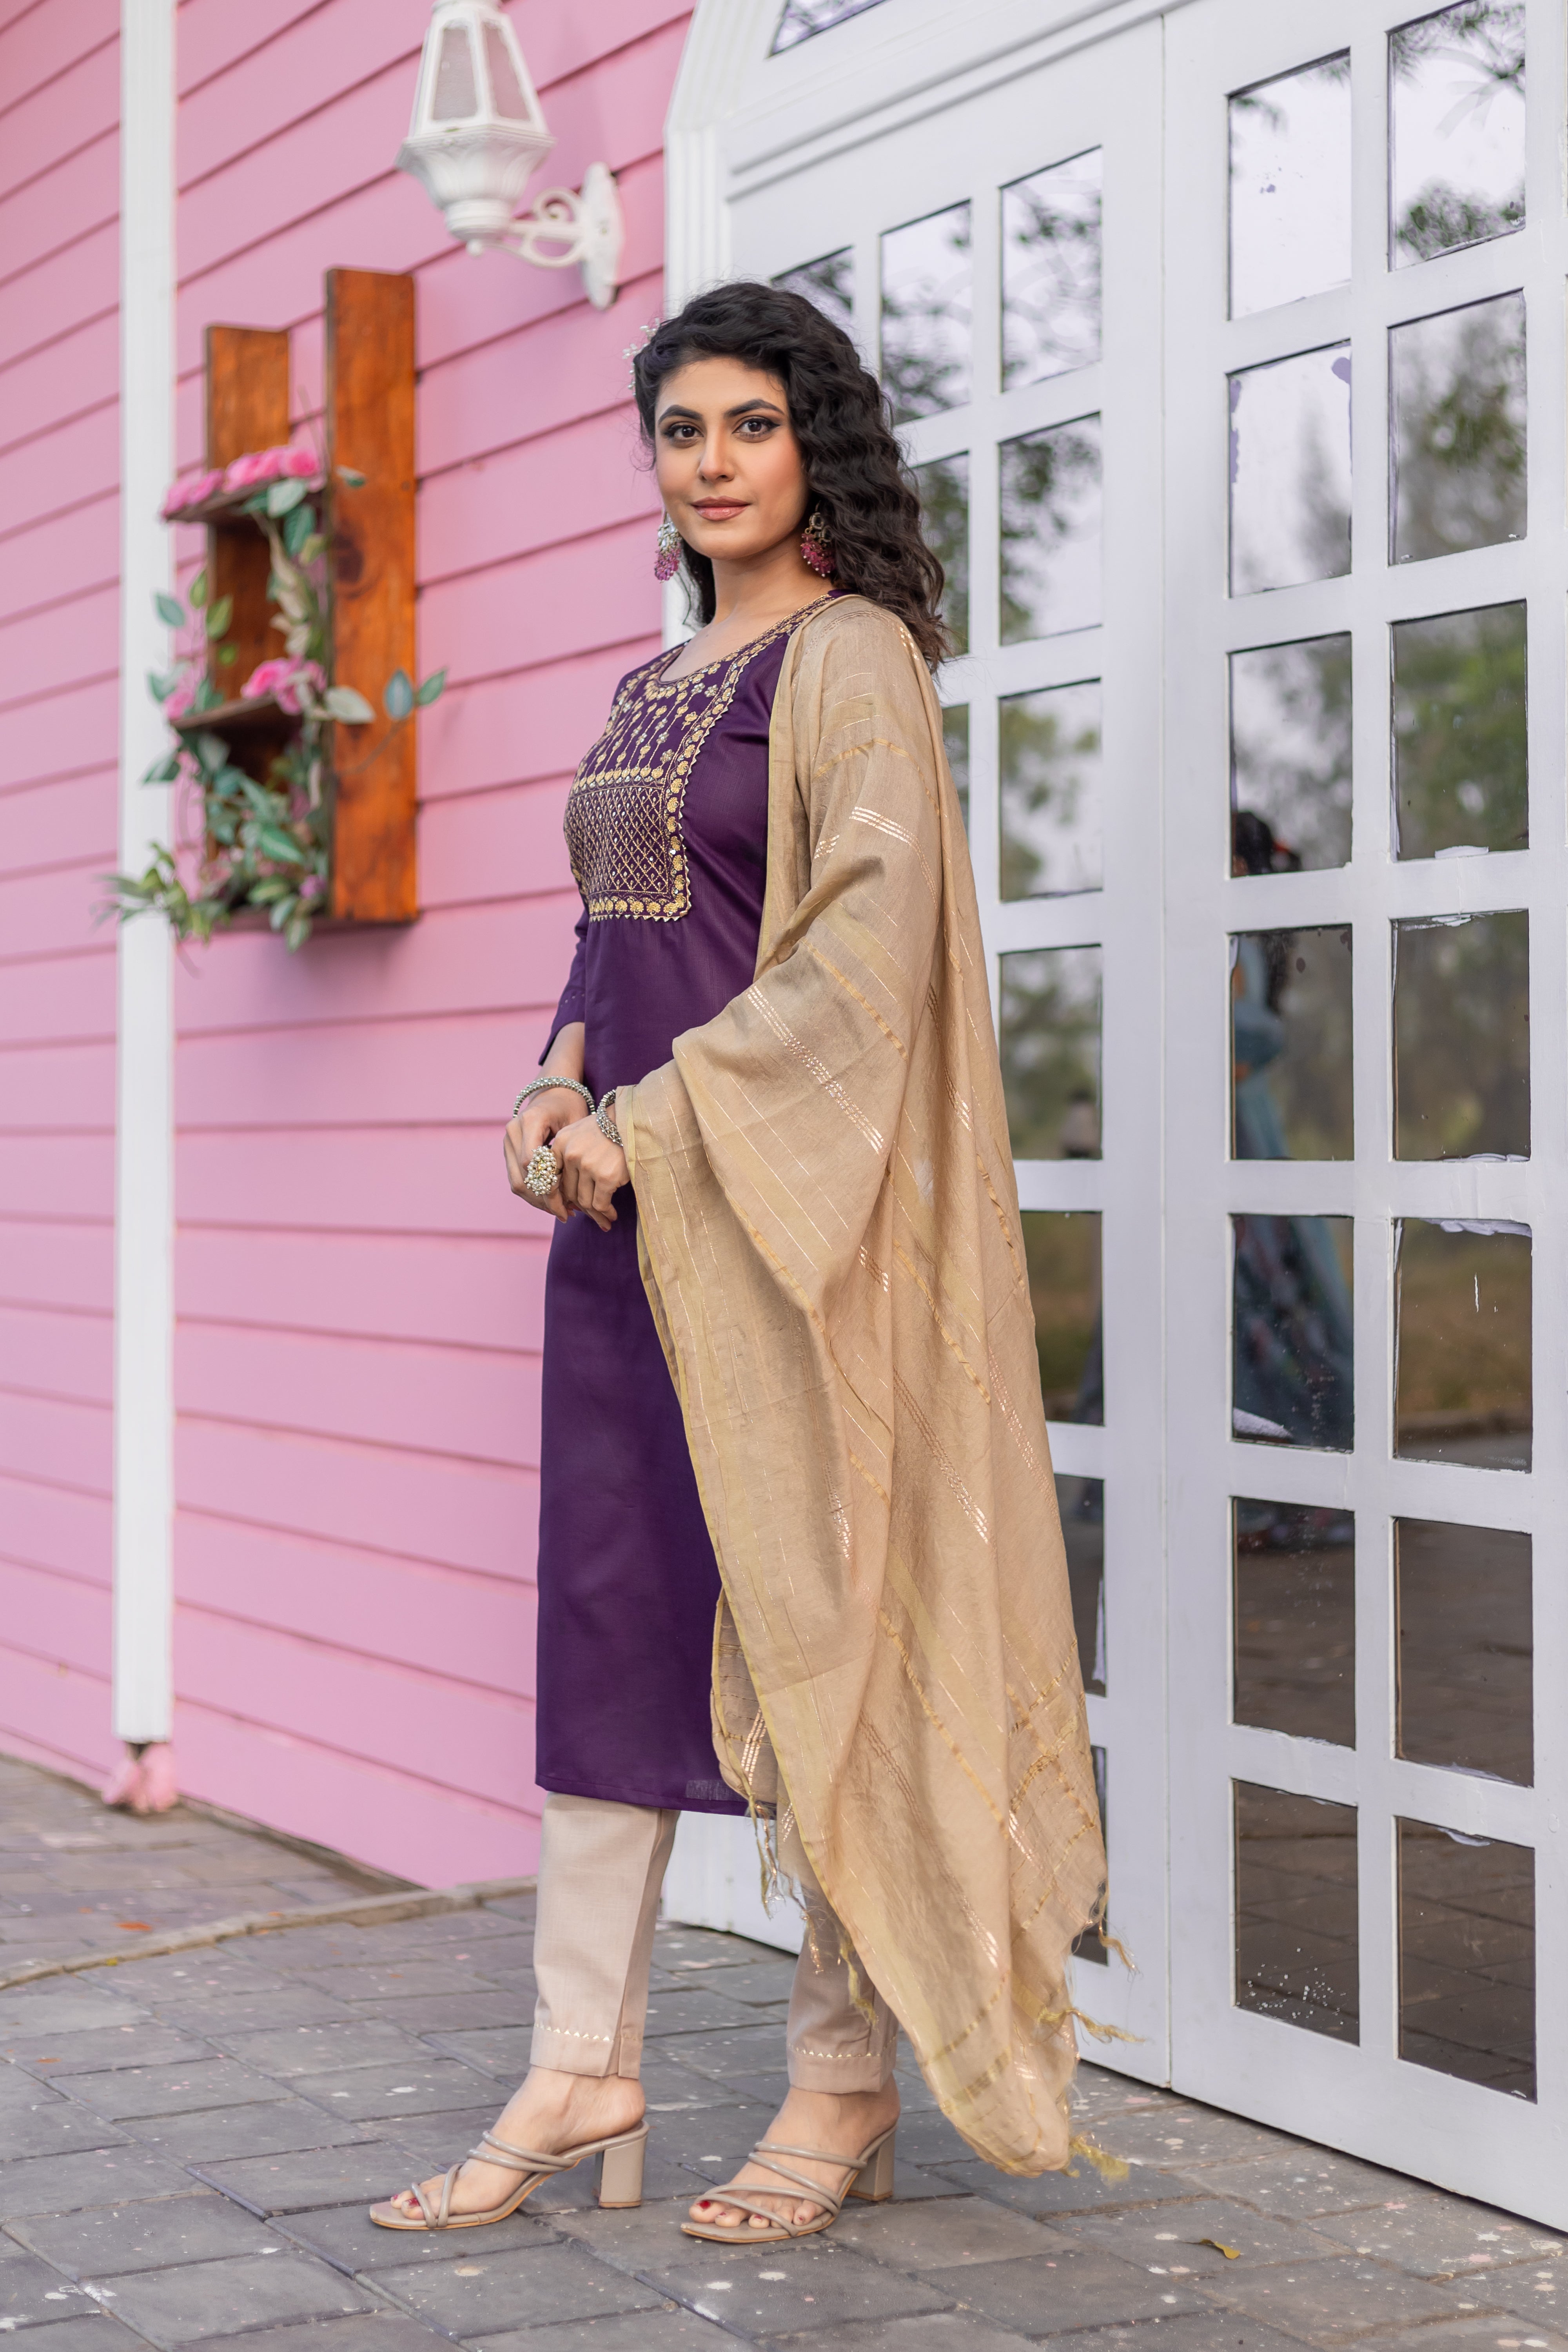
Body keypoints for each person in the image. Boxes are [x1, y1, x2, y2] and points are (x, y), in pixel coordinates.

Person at [371, 282, 1104, 2248]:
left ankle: (843, 2081)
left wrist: (663, 1123)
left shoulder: (851, 661)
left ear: (814, 447)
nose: (710, 463)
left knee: (824, 1638)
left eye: (749, 426)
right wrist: (550, 1085)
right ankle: (577, 2064)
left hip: (791, 1231)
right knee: (610, 1629)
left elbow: (863, 958)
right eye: (681, 429)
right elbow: (612, 938)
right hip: (622, 1229)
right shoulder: (653, 685)